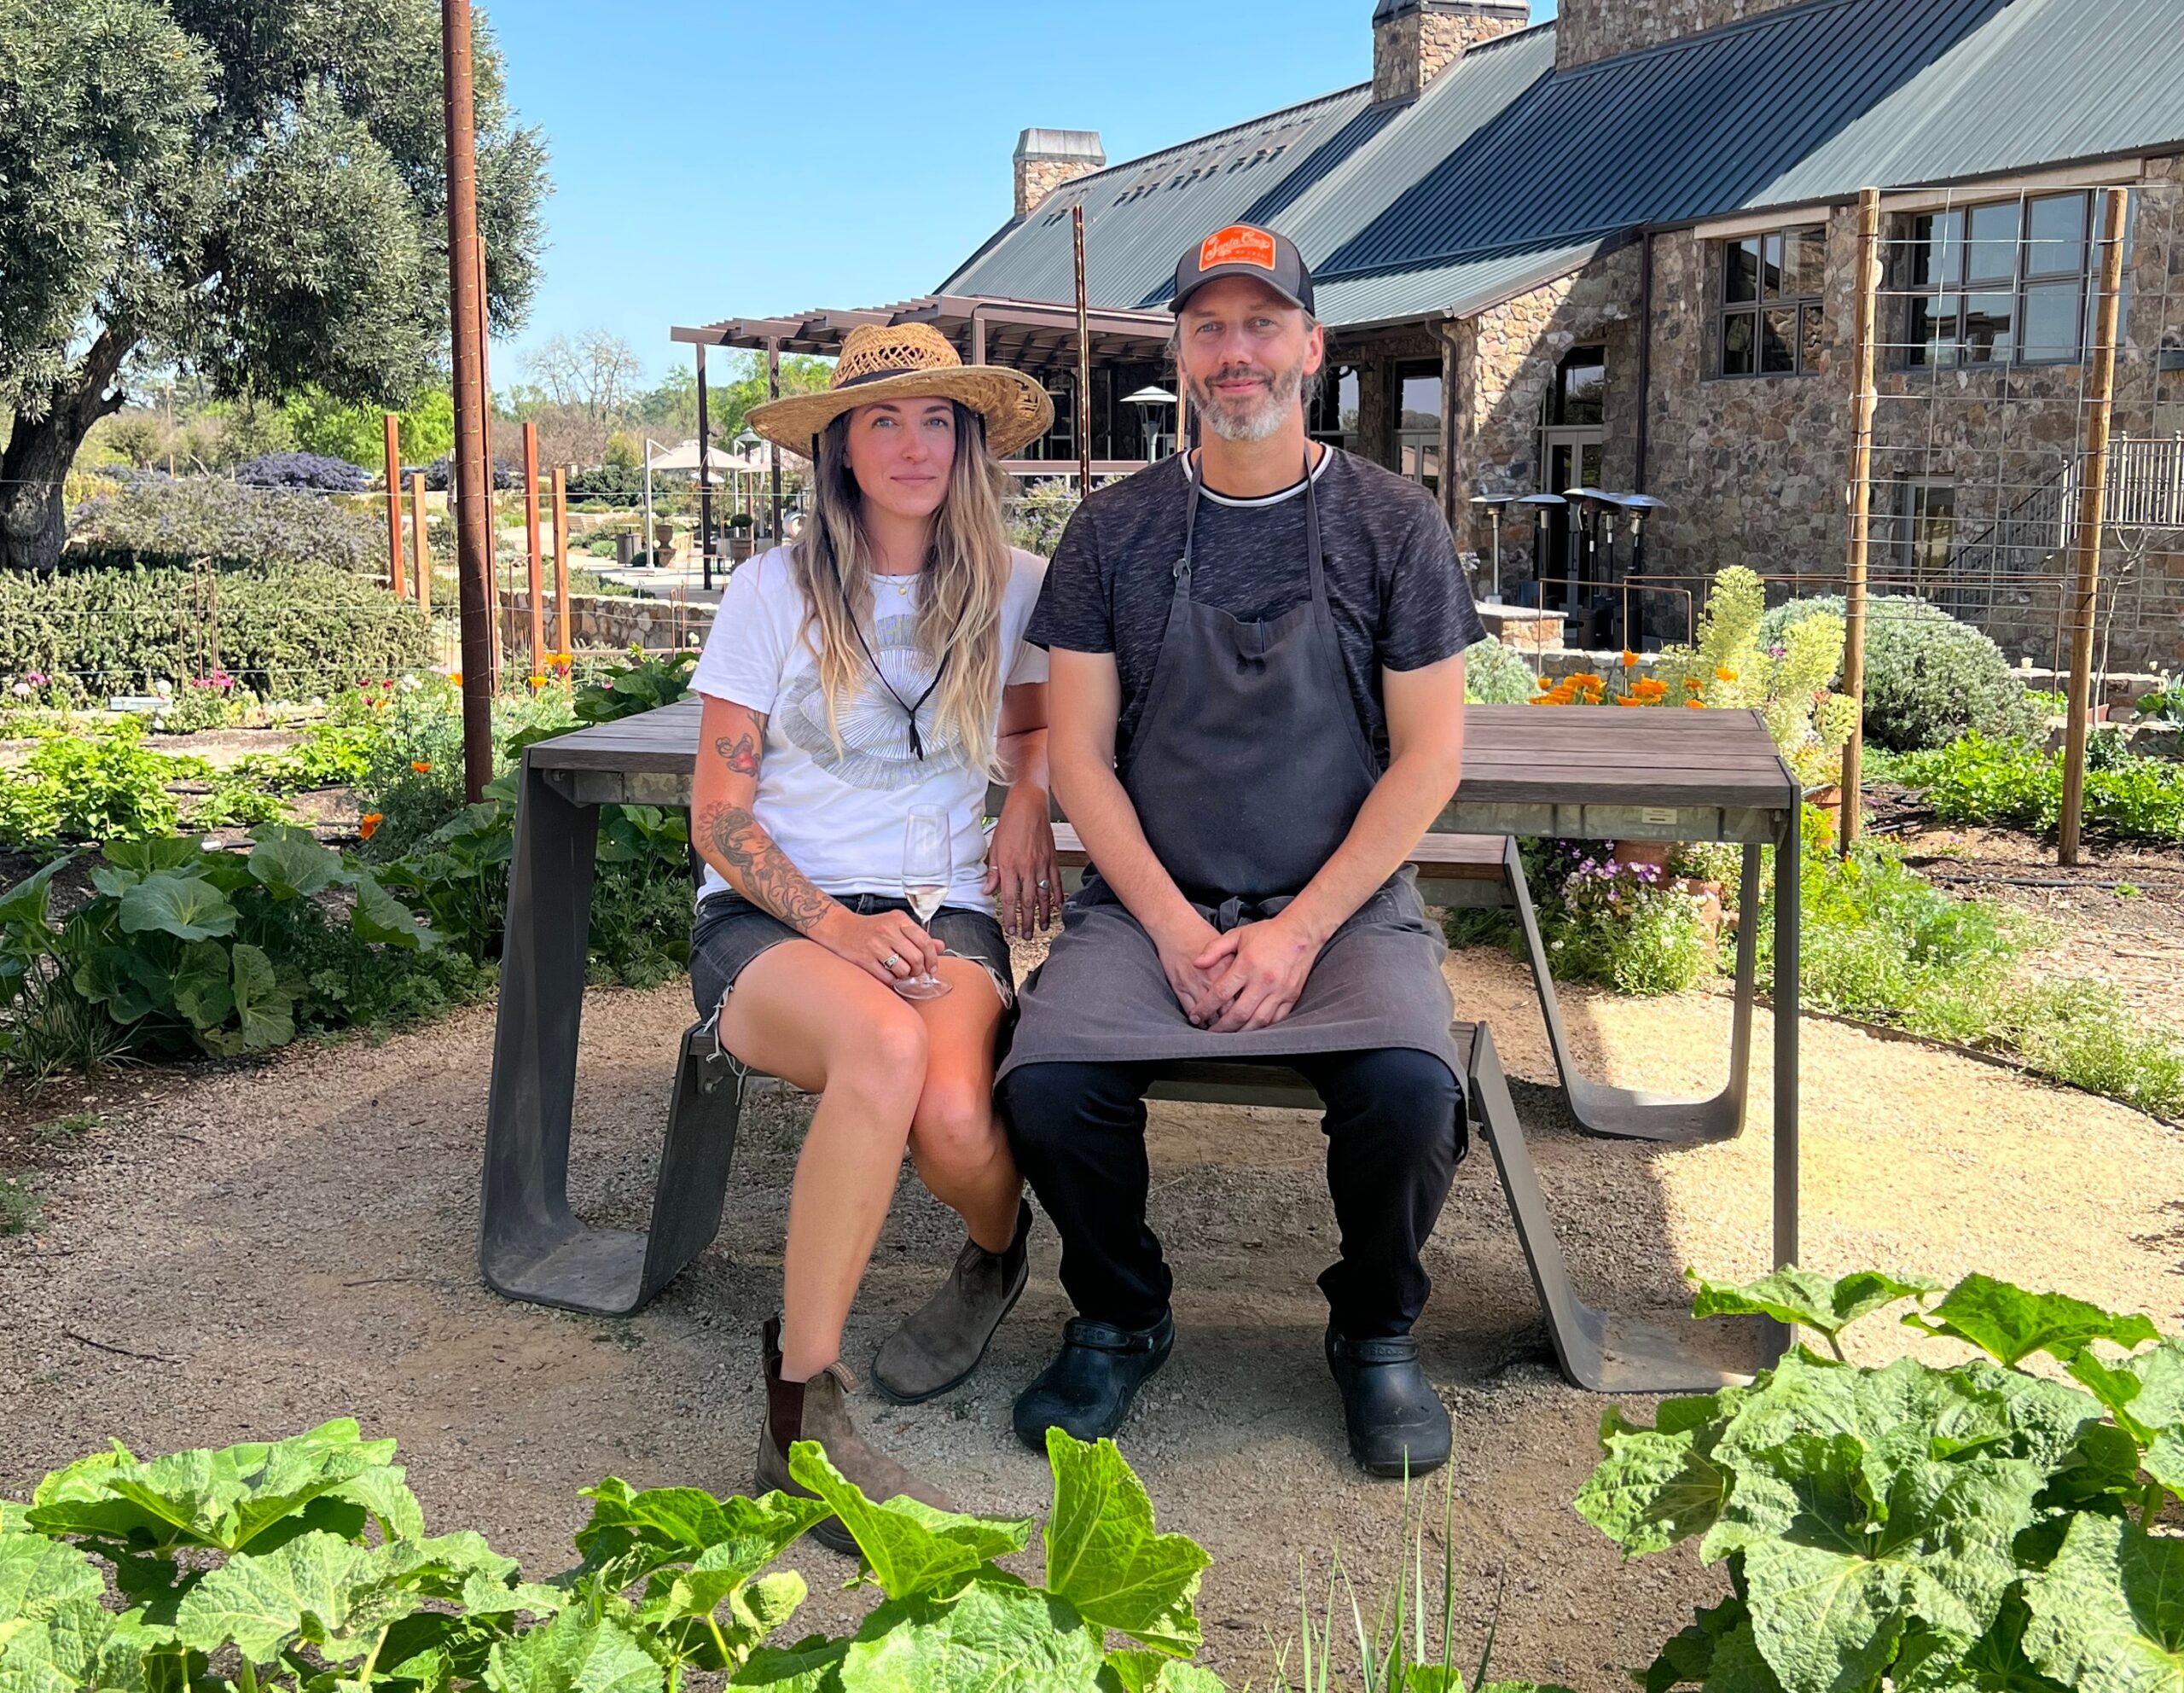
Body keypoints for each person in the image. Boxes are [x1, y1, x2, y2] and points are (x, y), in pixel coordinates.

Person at [997, 225, 1485, 1478]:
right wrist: (1170, 925)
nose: (1236, 353)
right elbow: (1085, 756)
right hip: (1152, 903)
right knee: (1047, 1089)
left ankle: (1373, 1332)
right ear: (1179, 353)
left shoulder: (1394, 524)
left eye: (1263, 324)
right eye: (1208, 328)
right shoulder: (1115, 534)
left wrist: (1299, 930)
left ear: (1311, 348)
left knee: (1410, 1095)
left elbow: (1428, 757)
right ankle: (1120, 1314)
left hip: (1344, 911)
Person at [689, 323, 1060, 1545]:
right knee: (884, 1053)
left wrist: (1029, 796)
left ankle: (994, 1257)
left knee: (958, 1122)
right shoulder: (770, 593)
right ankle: (805, 1415)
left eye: (936, 421)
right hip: (773, 919)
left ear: (967, 446)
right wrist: (837, 930)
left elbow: (1031, 731)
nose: (913, 443)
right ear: (840, 448)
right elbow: (720, 814)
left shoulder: (1015, 587)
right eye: (883, 420)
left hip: (943, 909)